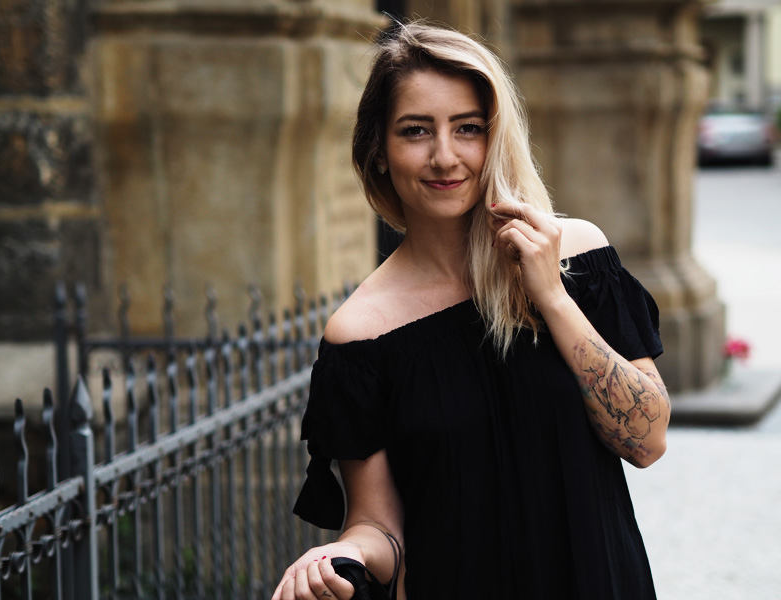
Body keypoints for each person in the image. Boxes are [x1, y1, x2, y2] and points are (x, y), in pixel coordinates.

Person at [272, 20, 670, 600]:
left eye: (468, 129)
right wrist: (345, 552)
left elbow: (647, 440)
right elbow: (379, 525)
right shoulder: (360, 335)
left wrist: (551, 296)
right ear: (378, 151)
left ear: (495, 138)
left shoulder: (577, 255)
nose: (444, 156)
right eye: (415, 131)